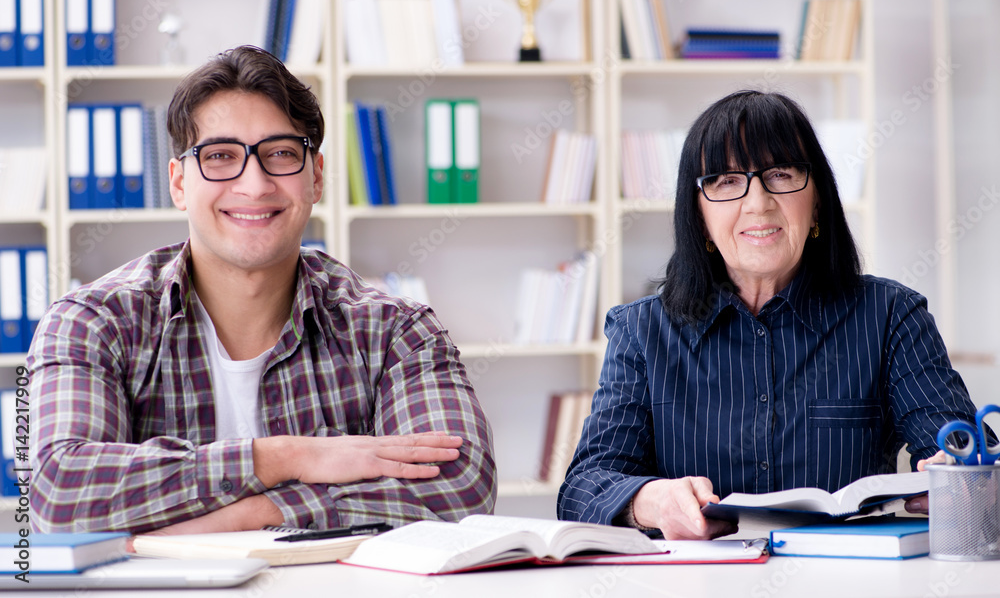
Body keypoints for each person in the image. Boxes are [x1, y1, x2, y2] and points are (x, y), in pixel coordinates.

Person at [28, 46, 496, 535]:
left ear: (315, 177)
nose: (254, 185)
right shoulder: (90, 320)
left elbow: (462, 485)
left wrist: (253, 516)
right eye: (221, 156)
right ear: (179, 183)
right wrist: (285, 456)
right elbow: (59, 494)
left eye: (280, 154)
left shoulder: (395, 329)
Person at [557, 90, 977, 540]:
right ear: (699, 218)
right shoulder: (641, 332)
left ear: (816, 202)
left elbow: (963, 451)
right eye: (726, 181)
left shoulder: (892, 316)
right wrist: (650, 502)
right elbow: (583, 490)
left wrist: (958, 480)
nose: (757, 203)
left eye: (780, 174)